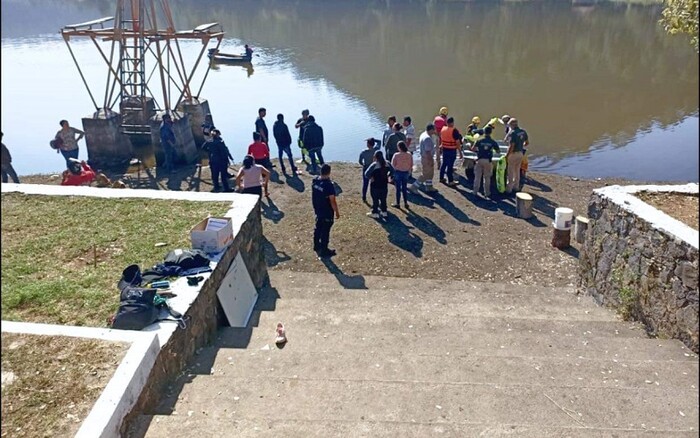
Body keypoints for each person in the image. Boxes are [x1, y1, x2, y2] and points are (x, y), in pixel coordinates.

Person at [311, 163, 340, 258]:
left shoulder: (315, 181)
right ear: (329, 173)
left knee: (318, 227)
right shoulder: (328, 185)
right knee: (325, 230)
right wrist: (336, 211)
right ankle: (324, 250)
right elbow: (332, 200)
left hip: (318, 208)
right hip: (327, 211)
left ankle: (316, 245)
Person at [471, 125, 499, 198]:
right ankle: (487, 193)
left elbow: (473, 149)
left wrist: (479, 150)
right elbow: (498, 151)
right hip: (488, 161)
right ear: (491, 132)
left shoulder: (479, 140)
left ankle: (475, 191)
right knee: (487, 178)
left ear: (484, 132)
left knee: (477, 177)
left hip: (479, 160)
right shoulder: (493, 141)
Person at [364, 150, 390, 219]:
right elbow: (393, 171)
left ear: (375, 157)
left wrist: (371, 177)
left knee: (375, 200)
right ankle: (384, 212)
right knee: (383, 199)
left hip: (375, 186)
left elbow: (366, 174)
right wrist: (388, 175)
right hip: (384, 185)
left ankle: (375, 213)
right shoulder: (387, 163)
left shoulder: (374, 165)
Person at [506, 118, 529, 195]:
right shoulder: (523, 131)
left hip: (513, 154)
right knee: (517, 170)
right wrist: (520, 145)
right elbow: (527, 143)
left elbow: (511, 146)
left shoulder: (513, 133)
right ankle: (516, 187)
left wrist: (507, 155)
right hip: (520, 153)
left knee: (510, 171)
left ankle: (509, 189)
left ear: (512, 125)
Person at [439, 117, 463, 187]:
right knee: (450, 166)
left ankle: (441, 178)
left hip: (445, 149)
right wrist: (460, 152)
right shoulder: (454, 130)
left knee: (444, 164)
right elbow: (457, 142)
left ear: (447, 122)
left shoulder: (443, 129)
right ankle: (450, 181)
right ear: (452, 123)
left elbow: (442, 139)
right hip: (452, 150)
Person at [412, 124, 436, 192]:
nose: (434, 131)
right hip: (427, 158)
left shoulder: (423, 134)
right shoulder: (427, 138)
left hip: (424, 157)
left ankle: (429, 186)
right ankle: (414, 186)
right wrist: (431, 161)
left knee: (430, 173)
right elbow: (428, 152)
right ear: (431, 130)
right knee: (425, 174)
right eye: (433, 130)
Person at [391, 141, 413, 209]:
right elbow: (411, 164)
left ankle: (398, 203)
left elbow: (392, 165)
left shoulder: (396, 155)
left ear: (399, 147)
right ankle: (406, 203)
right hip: (406, 173)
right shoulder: (409, 154)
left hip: (398, 173)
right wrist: (409, 171)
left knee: (398, 189)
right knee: (404, 188)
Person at [359, 138, 378, 202]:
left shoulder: (363, 152)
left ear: (368, 144)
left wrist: (363, 164)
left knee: (365, 183)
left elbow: (360, 161)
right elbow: (380, 142)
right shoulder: (376, 150)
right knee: (374, 183)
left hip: (366, 168)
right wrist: (374, 139)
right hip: (374, 168)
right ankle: (375, 197)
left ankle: (364, 196)